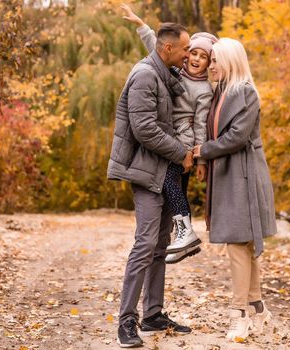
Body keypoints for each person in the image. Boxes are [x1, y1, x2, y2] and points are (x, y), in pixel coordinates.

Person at [107, 22, 194, 348]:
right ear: (167, 48)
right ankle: (126, 323)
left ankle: (153, 314)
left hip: (165, 171)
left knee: (160, 244)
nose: (188, 55)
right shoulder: (145, 75)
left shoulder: (164, 74)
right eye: (185, 49)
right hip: (146, 173)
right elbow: (144, 129)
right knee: (144, 246)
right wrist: (181, 152)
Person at [193, 38, 278, 341]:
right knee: (244, 246)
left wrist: (203, 151)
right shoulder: (219, 93)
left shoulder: (246, 93)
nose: (210, 65)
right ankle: (259, 310)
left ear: (230, 60)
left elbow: (237, 138)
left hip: (244, 176)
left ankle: (238, 314)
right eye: (210, 59)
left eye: (215, 60)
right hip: (227, 175)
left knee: (238, 246)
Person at [121, 4, 217, 263]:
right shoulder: (176, 70)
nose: (195, 59)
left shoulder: (204, 90)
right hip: (168, 138)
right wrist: (141, 25)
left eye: (202, 56)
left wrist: (200, 159)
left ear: (209, 62)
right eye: (192, 53)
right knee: (174, 190)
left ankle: (185, 232)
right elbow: (157, 45)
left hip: (182, 142)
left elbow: (200, 125)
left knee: (170, 185)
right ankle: (183, 236)